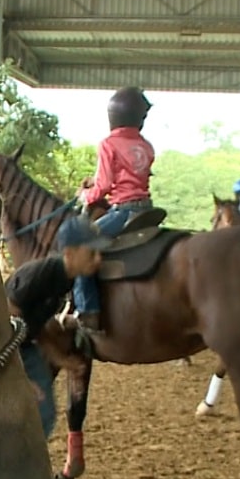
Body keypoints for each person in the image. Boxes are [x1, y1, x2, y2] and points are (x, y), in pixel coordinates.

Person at [5, 216, 110, 437]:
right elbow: (7, 316)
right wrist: (19, 377)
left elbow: (36, 327)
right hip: (1, 348)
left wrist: (63, 361)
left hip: (24, 343)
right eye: (91, 252)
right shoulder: (42, 273)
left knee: (45, 413)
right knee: (34, 409)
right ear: (69, 253)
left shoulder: (66, 280)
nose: (98, 259)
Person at [72, 86, 156, 333]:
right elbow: (128, 178)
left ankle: (88, 314)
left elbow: (105, 186)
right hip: (146, 209)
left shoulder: (109, 143)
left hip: (124, 211)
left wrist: (85, 195)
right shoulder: (146, 145)